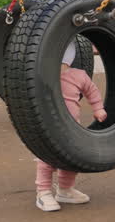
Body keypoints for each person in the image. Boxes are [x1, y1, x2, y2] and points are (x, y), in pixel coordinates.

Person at [35, 40, 107, 212]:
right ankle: (43, 192)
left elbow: (92, 90)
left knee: (71, 160)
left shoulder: (78, 75)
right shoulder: (41, 76)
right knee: (46, 160)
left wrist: (98, 108)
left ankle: (65, 190)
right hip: (48, 127)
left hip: (72, 128)